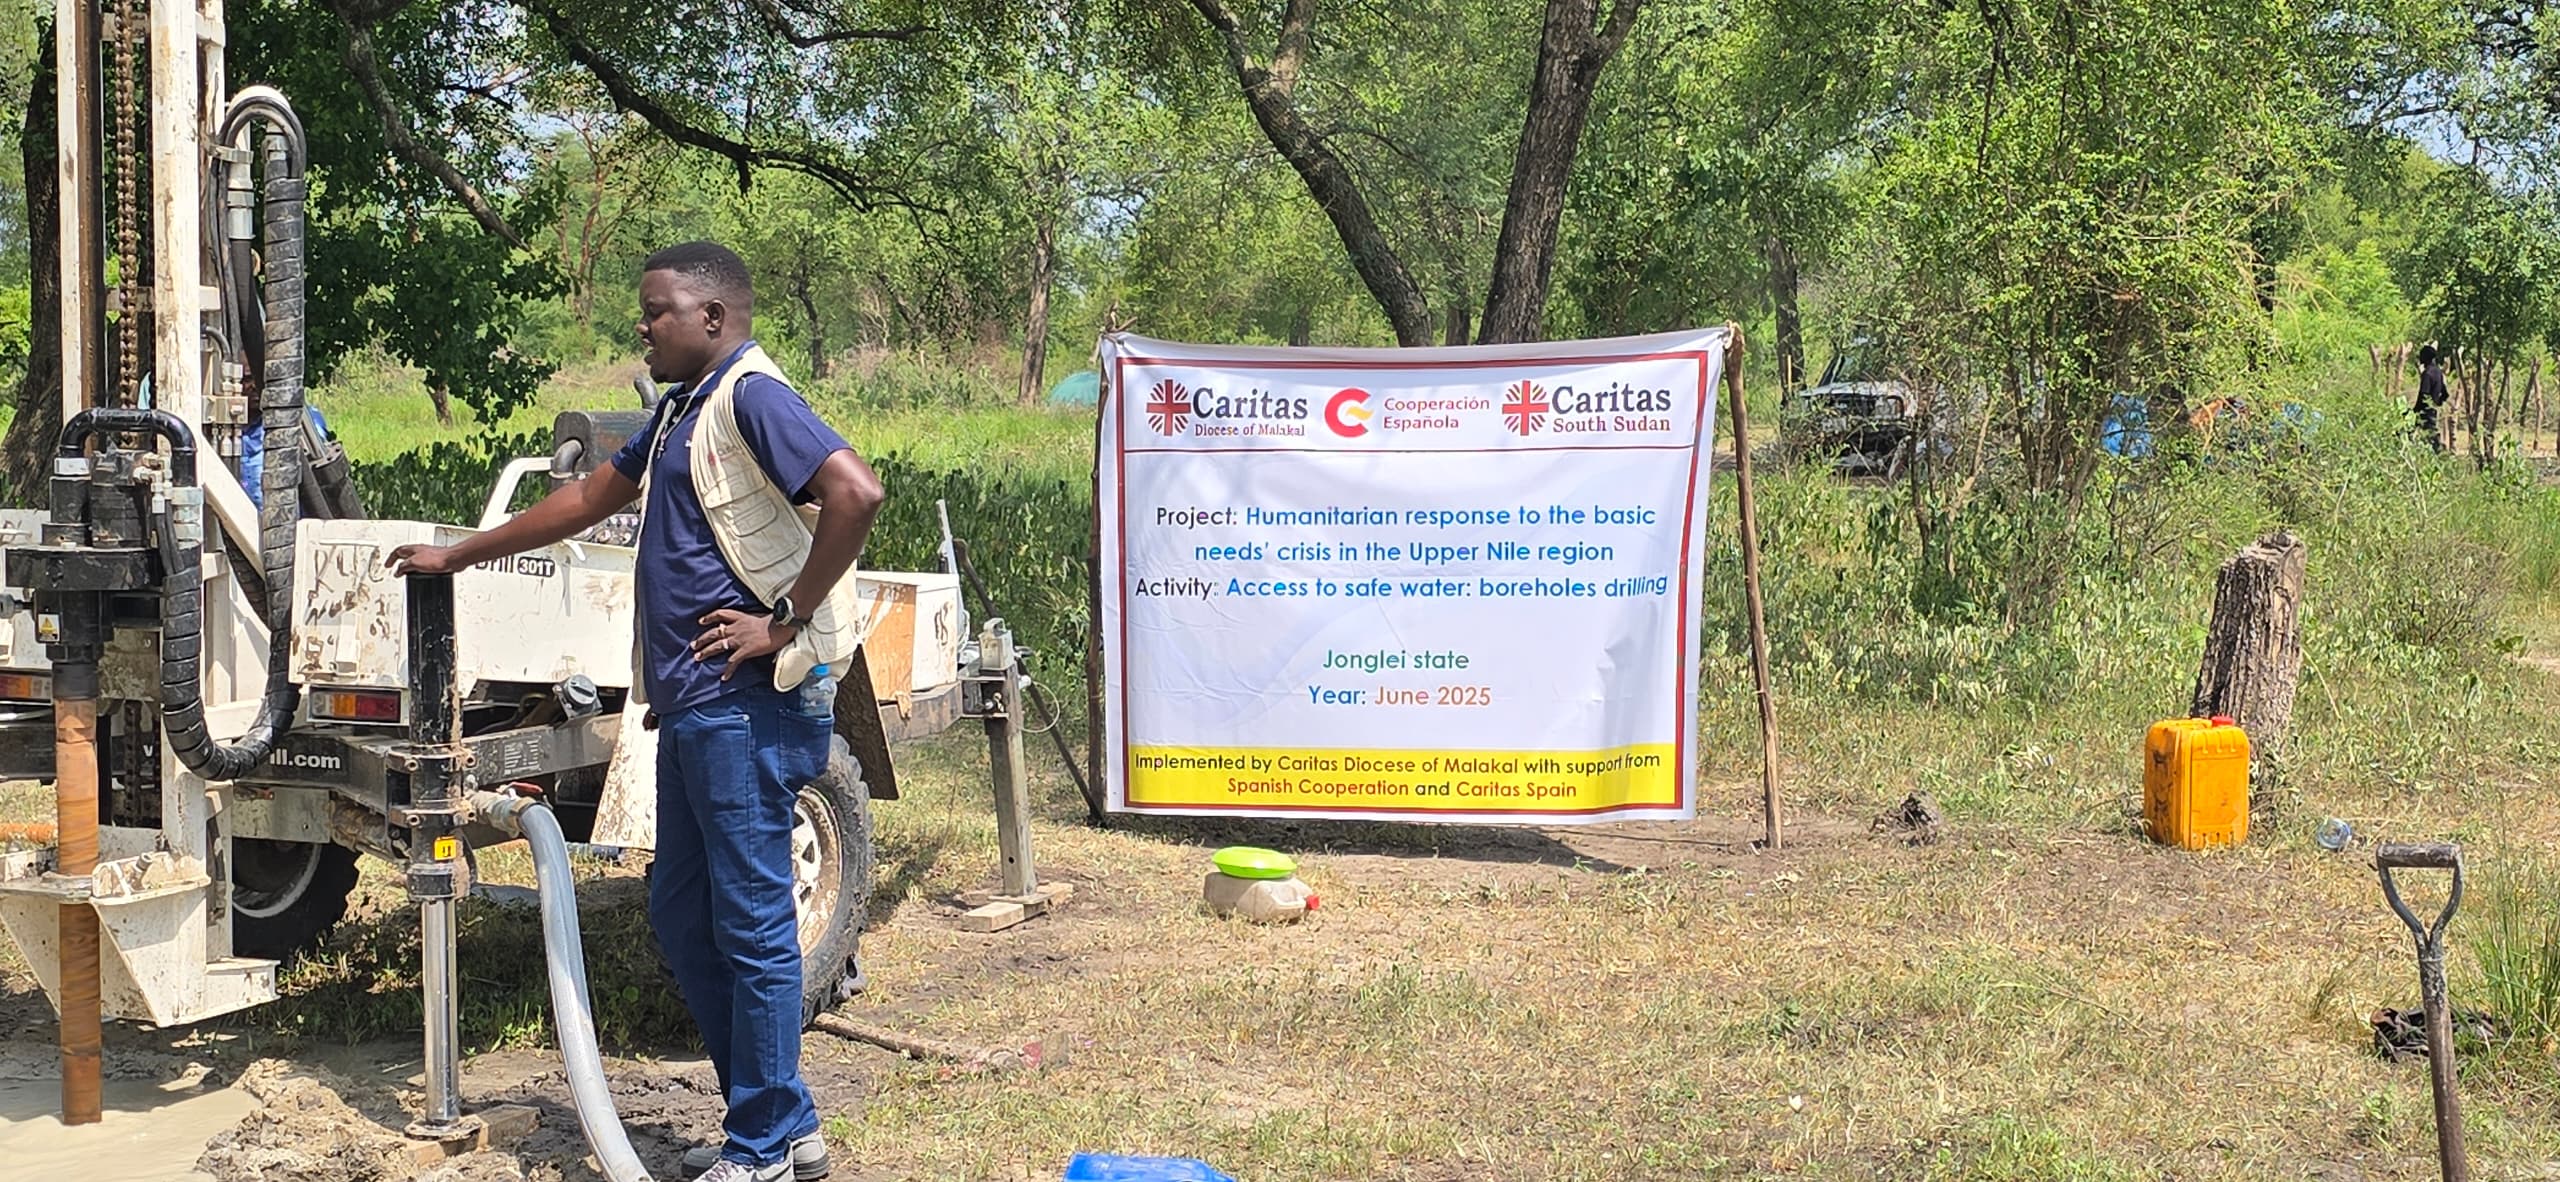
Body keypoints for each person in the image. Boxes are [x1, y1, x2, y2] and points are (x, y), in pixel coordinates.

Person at [389, 241, 884, 1182]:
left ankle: (762, 1152)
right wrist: (461, 553)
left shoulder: (751, 396)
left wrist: (785, 619)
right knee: (685, 916)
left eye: (656, 311)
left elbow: (855, 493)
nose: (641, 325)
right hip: (696, 708)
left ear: (712, 318)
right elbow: (585, 498)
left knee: (750, 924)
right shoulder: (676, 414)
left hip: (751, 705)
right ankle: (785, 1125)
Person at [2414, 343, 2449, 452]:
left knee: (2428, 436)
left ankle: (2440, 452)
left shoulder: (2427, 373)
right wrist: (2437, 402)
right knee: (2429, 433)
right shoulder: (2438, 372)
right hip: (2432, 410)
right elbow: (2445, 394)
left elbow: (2423, 394)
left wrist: (2415, 410)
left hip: (2425, 411)